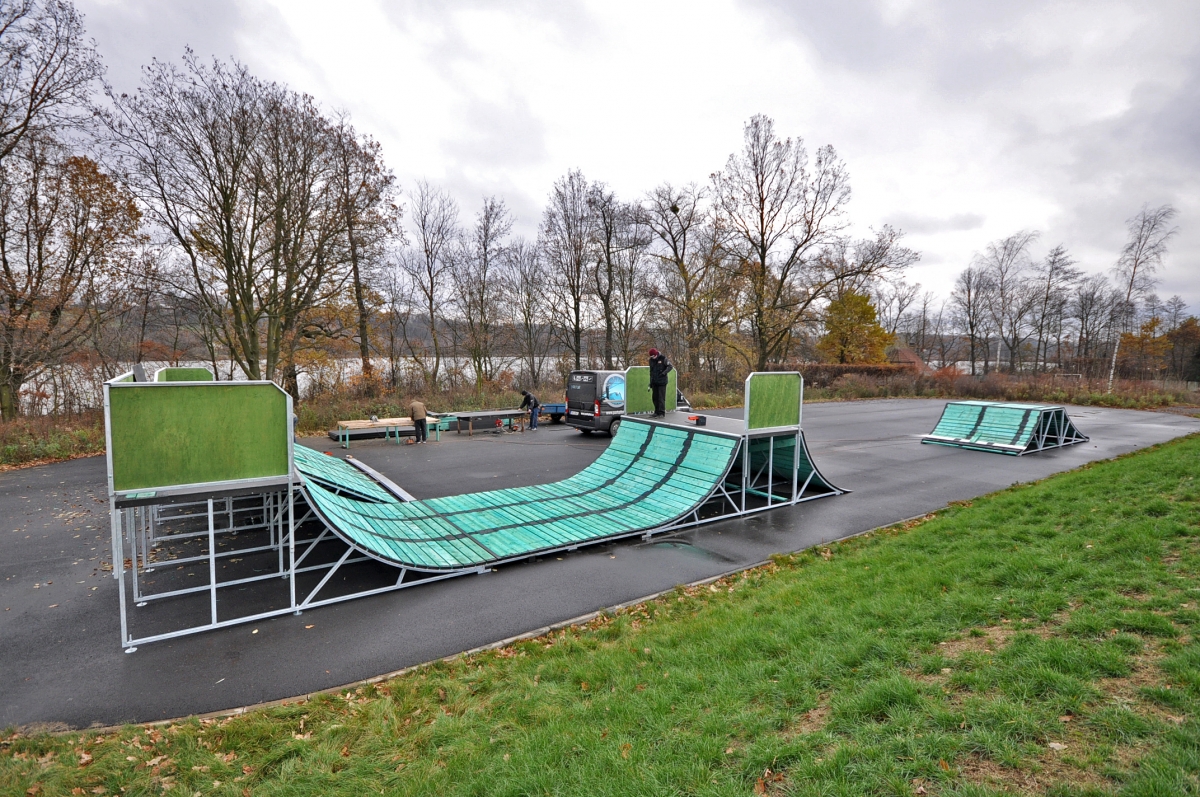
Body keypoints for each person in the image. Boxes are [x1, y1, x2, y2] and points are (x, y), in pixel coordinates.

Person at [648, 348, 673, 417]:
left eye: (653, 356)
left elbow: (670, 366)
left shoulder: (663, 359)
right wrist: (651, 382)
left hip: (662, 382)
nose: (653, 358)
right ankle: (656, 412)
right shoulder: (651, 361)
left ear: (656, 354)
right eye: (651, 357)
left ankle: (661, 413)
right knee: (655, 398)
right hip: (654, 382)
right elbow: (651, 372)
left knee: (661, 398)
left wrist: (664, 373)